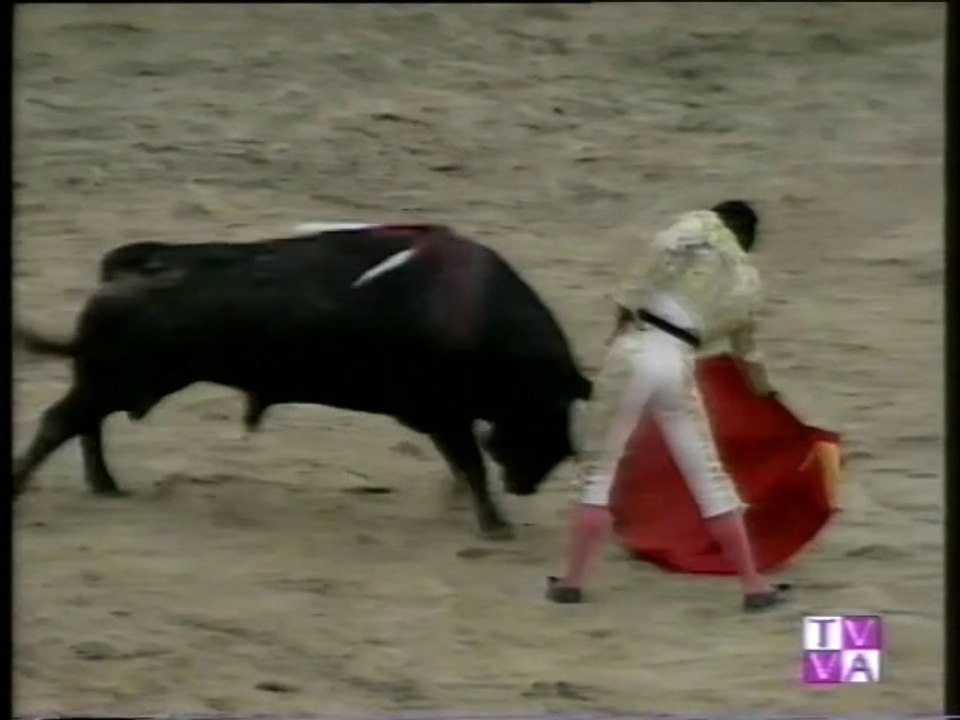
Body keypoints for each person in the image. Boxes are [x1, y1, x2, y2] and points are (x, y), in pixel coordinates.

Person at [546, 200, 791, 612]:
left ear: (722, 217)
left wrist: (622, 314)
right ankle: (753, 586)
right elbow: (747, 351)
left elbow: (656, 253)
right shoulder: (748, 280)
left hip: (636, 350)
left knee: (597, 473)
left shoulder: (699, 225)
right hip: (678, 364)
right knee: (710, 477)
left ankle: (571, 582)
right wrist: (765, 392)